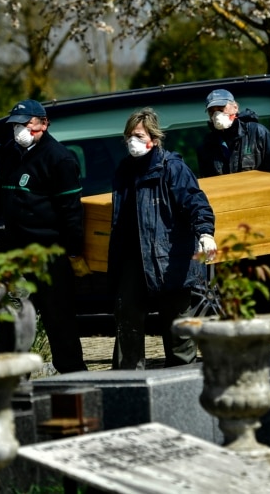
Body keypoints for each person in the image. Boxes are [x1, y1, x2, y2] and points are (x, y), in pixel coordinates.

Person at [0, 98, 89, 372]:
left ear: (43, 124)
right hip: (18, 251)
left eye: (25, 124)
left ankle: (73, 374)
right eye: (15, 125)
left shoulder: (59, 159)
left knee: (58, 318)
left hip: (51, 253)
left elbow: (71, 212)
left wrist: (74, 253)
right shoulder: (10, 153)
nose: (19, 131)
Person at [109, 107, 217, 369]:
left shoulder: (173, 168)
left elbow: (195, 202)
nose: (131, 141)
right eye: (129, 136)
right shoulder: (124, 170)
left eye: (137, 135)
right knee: (128, 322)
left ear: (154, 139)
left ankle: (183, 383)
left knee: (177, 329)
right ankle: (128, 386)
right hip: (134, 259)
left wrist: (205, 231)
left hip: (170, 258)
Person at [196, 88, 270, 177]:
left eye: (221, 109)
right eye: (212, 111)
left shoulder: (257, 133)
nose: (216, 115)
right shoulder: (207, 145)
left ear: (235, 107)